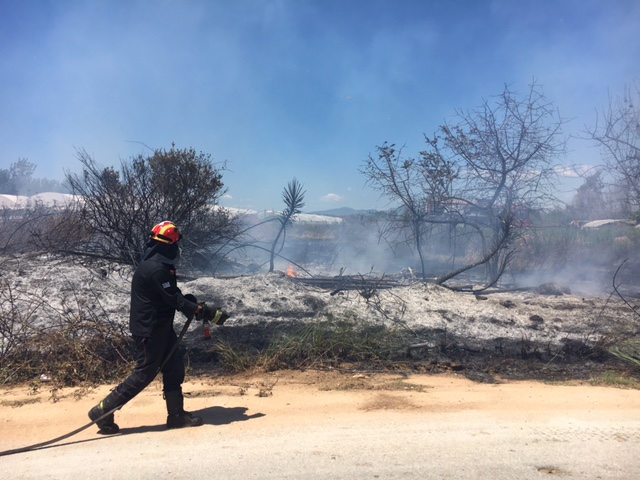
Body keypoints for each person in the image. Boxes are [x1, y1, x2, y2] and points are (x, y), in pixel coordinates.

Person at [88, 221, 227, 434]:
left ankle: (177, 416)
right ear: (168, 246)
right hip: (150, 330)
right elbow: (174, 300)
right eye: (175, 245)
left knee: (174, 367)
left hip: (160, 328)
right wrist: (200, 310)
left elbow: (171, 294)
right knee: (144, 373)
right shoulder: (155, 270)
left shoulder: (158, 266)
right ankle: (103, 411)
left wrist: (191, 304)